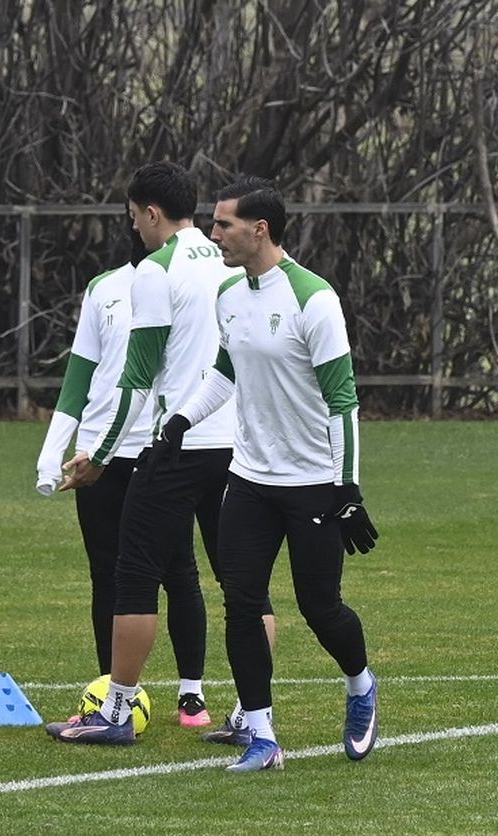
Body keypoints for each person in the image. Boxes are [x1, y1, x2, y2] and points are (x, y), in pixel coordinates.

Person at [155, 176, 379, 772]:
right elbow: (224, 374)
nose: (213, 232)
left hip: (311, 483)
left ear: (260, 230)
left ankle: (360, 685)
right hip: (248, 479)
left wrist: (346, 486)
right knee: (242, 601)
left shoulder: (314, 300)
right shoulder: (230, 294)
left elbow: (343, 401)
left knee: (320, 606)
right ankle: (262, 735)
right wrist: (180, 420)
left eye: (223, 224)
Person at [49, 161, 261, 745]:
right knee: (243, 584)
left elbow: (135, 381)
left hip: (175, 443)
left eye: (134, 217)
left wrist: (97, 454)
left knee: (135, 576)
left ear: (149, 213)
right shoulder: (236, 265)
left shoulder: (155, 271)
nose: (135, 229)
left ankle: (117, 712)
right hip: (237, 448)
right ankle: (252, 714)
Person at [35, 230, 215, 726]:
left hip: (156, 448)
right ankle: (109, 691)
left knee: (178, 569)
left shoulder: (187, 282)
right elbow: (79, 375)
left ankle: (192, 692)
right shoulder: (104, 289)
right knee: (107, 573)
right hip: (98, 452)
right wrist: (53, 453)